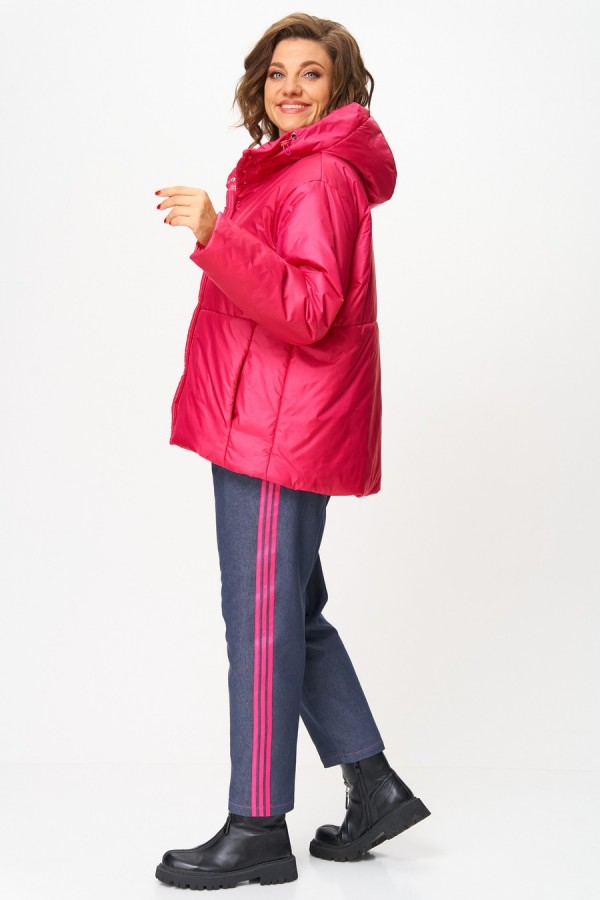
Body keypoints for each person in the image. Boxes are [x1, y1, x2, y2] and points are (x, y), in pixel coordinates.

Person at [153, 12, 430, 891]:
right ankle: (373, 784)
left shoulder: (319, 177)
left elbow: (308, 310)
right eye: (279, 73)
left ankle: (257, 825)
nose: (291, 88)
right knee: (291, 611)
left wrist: (215, 233)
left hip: (277, 430)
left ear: (340, 86)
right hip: (263, 417)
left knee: (262, 622)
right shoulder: (290, 165)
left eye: (312, 73)